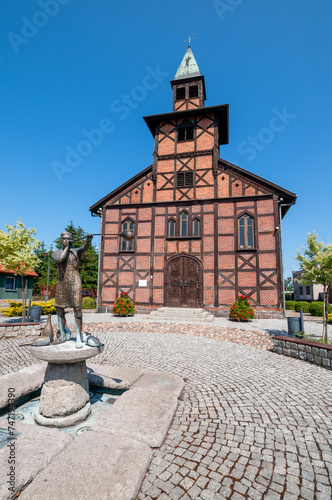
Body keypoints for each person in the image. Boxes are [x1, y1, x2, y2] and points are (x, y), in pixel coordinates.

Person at [52, 231, 93, 348]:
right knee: (59, 308)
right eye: (64, 238)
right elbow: (60, 259)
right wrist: (66, 248)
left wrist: (89, 241)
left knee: (77, 309)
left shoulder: (75, 252)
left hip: (75, 281)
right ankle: (63, 334)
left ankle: (79, 337)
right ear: (61, 239)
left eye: (68, 238)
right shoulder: (56, 253)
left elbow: (84, 248)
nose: (66, 240)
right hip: (62, 282)